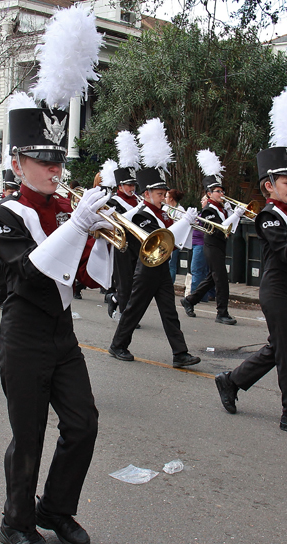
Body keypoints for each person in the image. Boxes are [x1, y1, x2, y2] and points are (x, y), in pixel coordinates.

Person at [0, 101, 111, 544]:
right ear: (17, 164)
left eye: (58, 161)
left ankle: (54, 508)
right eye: (43, 161)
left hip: (62, 332)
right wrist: (76, 226)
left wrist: (98, 238)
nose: (54, 170)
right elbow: (30, 273)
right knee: (28, 433)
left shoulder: (67, 210)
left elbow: (88, 279)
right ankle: (15, 521)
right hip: (24, 333)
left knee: (83, 423)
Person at [213, 140, 287, 438]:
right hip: (275, 288)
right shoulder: (269, 215)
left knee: (278, 347)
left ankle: (231, 381)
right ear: (269, 186)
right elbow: (286, 253)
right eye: (285, 182)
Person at [108, 118, 200, 368]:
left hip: (161, 268)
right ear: (146, 193)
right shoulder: (141, 215)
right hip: (146, 269)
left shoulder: (161, 213)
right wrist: (184, 222)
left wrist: (184, 222)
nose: (163, 197)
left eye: (164, 193)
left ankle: (180, 353)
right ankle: (118, 345)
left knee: (170, 312)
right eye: (159, 194)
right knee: (134, 310)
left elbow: (172, 238)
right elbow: (161, 237)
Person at [181, 151, 237, 325]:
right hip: (211, 246)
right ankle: (222, 313)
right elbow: (221, 229)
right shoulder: (208, 211)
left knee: (212, 278)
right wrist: (234, 215)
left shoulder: (222, 209)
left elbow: (231, 230)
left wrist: (233, 212)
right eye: (217, 191)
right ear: (209, 193)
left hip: (220, 246)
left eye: (222, 190)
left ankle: (190, 300)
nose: (221, 193)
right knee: (221, 279)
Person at [104, 132, 142, 320]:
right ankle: (126, 313)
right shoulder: (113, 202)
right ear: (119, 186)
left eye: (133, 184)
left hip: (139, 244)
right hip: (123, 245)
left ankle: (116, 298)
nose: (132, 188)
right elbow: (119, 220)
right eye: (128, 185)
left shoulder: (137, 200)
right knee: (125, 281)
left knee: (137, 281)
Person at [0, 169, 19, 309]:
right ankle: (0, 298)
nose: (12, 193)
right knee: (1, 272)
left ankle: (11, 297)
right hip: (1, 241)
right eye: (9, 190)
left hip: (14, 242)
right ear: (4, 190)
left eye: (15, 190)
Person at [165, 189, 184, 282]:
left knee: (171, 264)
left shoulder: (180, 210)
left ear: (171, 199)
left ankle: (170, 283)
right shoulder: (165, 208)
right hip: (165, 238)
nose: (165, 198)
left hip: (175, 240)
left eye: (167, 196)